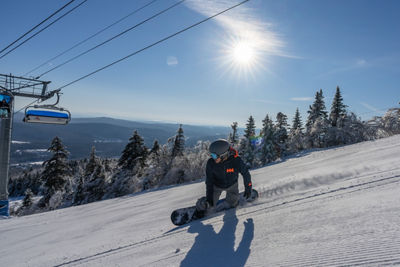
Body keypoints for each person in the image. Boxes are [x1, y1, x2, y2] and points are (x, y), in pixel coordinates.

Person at [197, 139, 253, 212]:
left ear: (223, 155)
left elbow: (245, 173)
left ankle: (233, 202)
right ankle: (202, 205)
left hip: (232, 185)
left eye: (214, 156)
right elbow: (209, 181)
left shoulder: (236, 161)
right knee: (209, 205)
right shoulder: (211, 163)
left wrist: (248, 187)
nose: (212, 158)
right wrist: (209, 197)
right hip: (217, 186)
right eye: (211, 155)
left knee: (233, 203)